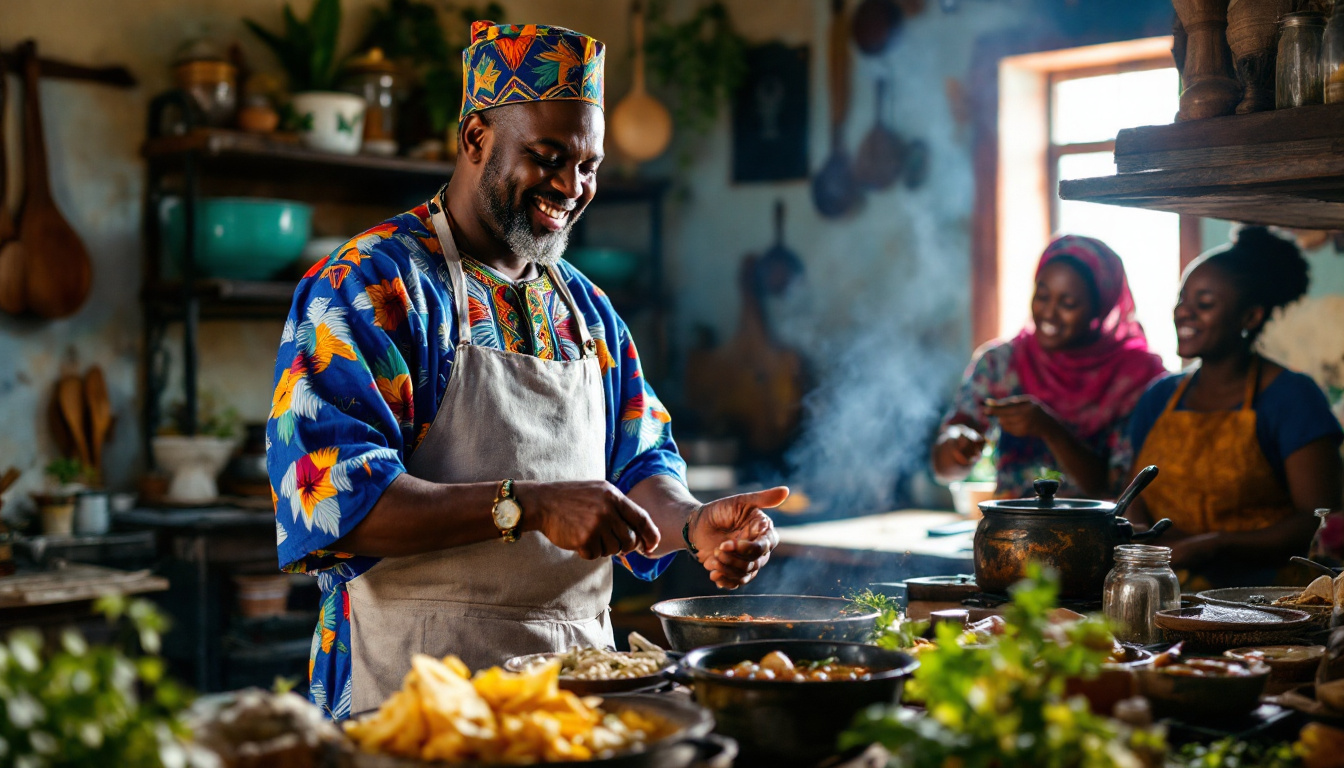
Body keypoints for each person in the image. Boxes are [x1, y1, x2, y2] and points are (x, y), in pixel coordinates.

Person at [266, 21, 787, 718]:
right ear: (476, 138)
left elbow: (639, 470)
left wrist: (695, 526)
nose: (572, 186)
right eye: (548, 157)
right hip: (410, 699)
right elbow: (332, 502)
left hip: (573, 704)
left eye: (590, 166)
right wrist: (531, 505)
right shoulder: (373, 286)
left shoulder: (588, 311)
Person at [1125, 226, 1343, 586]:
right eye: (1183, 300)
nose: (1184, 313)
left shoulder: (1291, 398)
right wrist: (1142, 538)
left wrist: (1214, 546)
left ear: (1250, 317)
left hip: (1267, 596)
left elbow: (1318, 518)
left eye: (1205, 304)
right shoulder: (1159, 397)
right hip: (1167, 586)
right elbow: (1134, 493)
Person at [932, 235, 1168, 499]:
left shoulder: (1135, 377)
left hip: (1099, 535)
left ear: (1099, 307)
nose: (1049, 313)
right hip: (1014, 534)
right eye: (1042, 296)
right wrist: (956, 444)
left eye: (1068, 304)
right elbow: (944, 470)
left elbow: (1119, 489)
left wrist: (1049, 428)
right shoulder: (1000, 363)